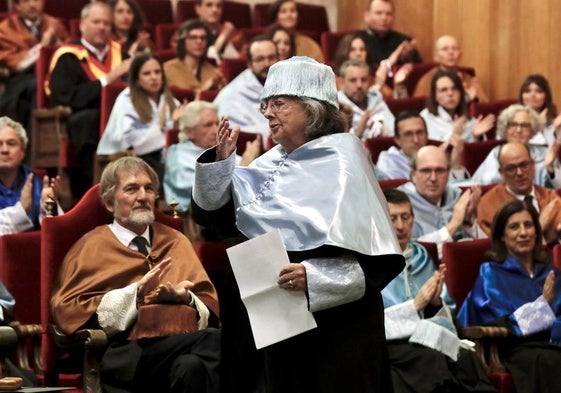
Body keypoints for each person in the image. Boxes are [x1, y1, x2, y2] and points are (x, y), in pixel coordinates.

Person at [192, 56, 404, 393]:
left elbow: (379, 262)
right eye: (266, 104)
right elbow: (215, 222)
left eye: (279, 103)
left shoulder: (345, 160)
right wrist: (220, 165)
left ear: (312, 109)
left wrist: (316, 278)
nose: (266, 113)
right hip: (275, 326)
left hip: (338, 333)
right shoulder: (269, 162)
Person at [50, 156, 220, 393]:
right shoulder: (91, 246)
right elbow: (68, 309)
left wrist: (186, 298)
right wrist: (136, 293)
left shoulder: (175, 240)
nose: (143, 196)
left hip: (177, 345)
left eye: (148, 188)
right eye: (132, 189)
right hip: (124, 354)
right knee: (214, 340)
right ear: (110, 203)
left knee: (191, 367)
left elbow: (209, 304)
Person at [382, 188, 496, 393]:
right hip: (393, 346)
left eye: (405, 217)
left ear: (413, 219)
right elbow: (371, 324)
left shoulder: (421, 255)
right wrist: (415, 306)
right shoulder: (373, 263)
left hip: (428, 336)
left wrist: (434, 302)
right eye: (392, 219)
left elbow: (443, 310)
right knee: (433, 360)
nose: (400, 226)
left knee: (466, 357)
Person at [459, 200, 561, 393]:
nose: (523, 233)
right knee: (552, 361)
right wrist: (542, 306)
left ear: (537, 232)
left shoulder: (549, 272)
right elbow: (498, 322)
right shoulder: (491, 273)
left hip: (552, 344)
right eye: (514, 227)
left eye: (528, 225)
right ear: (502, 236)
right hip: (513, 350)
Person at [48, 1, 133, 199]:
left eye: (106, 23)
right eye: (96, 22)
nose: (102, 27)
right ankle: (89, 193)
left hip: (121, 118)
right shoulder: (68, 56)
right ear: (82, 25)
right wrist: (109, 79)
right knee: (87, 120)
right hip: (82, 121)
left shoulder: (122, 55)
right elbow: (64, 96)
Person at [98, 53, 183, 184]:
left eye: (157, 72)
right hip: (135, 157)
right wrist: (159, 127)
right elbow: (127, 142)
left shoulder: (168, 99)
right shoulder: (126, 99)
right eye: (147, 73)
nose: (154, 77)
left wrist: (177, 124)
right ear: (137, 78)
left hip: (164, 155)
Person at [163, 100, 260, 213]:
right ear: (189, 132)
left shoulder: (218, 148)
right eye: (208, 125)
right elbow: (207, 193)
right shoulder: (177, 154)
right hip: (199, 218)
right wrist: (245, 165)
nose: (216, 131)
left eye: (216, 124)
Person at [398, 145, 481, 256]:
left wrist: (468, 221)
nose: (433, 178)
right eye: (426, 171)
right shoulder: (399, 203)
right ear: (413, 175)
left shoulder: (457, 196)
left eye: (440, 170)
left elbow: (480, 246)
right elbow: (410, 252)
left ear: (448, 174)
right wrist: (454, 224)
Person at [0, 0, 68, 130]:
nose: (32, 4)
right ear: (17, 5)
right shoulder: (5, 29)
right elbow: (19, 65)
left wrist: (57, 41)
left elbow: (68, 50)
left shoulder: (53, 24)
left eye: (36, 0)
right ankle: (35, 142)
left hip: (52, 74)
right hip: (21, 81)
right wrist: (43, 44)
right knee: (38, 85)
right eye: (26, 1)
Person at [476, 142, 561, 242]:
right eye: (511, 169)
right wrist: (539, 228)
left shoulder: (550, 198)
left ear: (533, 166)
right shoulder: (488, 204)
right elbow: (498, 248)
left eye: (524, 165)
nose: (519, 173)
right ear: (501, 173)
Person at [471, 104, 561, 188]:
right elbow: (480, 185)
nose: (518, 130)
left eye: (525, 125)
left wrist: (550, 169)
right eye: (513, 125)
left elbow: (559, 187)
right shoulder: (496, 154)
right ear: (505, 128)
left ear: (532, 130)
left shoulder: (545, 153)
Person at [0, 116, 60, 236]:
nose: (4, 150)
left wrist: (49, 208)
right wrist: (21, 209)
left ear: (23, 151)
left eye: (11, 144)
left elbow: (56, 233)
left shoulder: (37, 183)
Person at [213, 36, 279, 142]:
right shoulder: (231, 94)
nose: (267, 64)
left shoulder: (288, 84)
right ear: (249, 64)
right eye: (260, 59)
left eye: (271, 57)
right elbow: (232, 135)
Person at [377, 110, 469, 181]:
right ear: (397, 140)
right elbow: (403, 191)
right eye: (408, 134)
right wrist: (433, 159)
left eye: (420, 133)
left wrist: (455, 165)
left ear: (427, 135)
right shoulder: (388, 161)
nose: (416, 140)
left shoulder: (442, 155)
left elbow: (454, 194)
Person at [420, 69, 495, 142]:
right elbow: (433, 151)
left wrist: (476, 137)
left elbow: (475, 152)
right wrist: (455, 133)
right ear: (435, 95)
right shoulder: (426, 118)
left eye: (454, 89)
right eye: (443, 90)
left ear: (461, 93)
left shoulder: (469, 118)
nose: (450, 93)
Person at [333, 33, 410, 99]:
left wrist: (398, 85)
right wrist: (378, 86)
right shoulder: (335, 80)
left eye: (362, 50)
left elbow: (392, 100)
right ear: (344, 53)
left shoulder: (372, 78)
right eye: (352, 50)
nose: (358, 54)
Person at [413, 35, 489, 102]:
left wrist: (476, 99)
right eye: (445, 49)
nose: (451, 52)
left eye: (455, 48)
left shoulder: (468, 79)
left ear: (460, 54)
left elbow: (484, 106)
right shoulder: (428, 80)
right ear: (436, 56)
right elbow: (419, 107)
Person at [163, 19, 225, 94]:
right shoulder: (168, 69)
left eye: (203, 38)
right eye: (193, 37)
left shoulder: (214, 73)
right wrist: (204, 88)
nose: (199, 42)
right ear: (183, 41)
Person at [337, 59, 395, 138]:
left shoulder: (376, 99)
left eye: (364, 80)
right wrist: (358, 131)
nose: (359, 85)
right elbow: (336, 142)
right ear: (342, 82)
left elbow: (395, 131)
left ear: (370, 81)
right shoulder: (336, 106)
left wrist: (382, 128)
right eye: (353, 80)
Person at [357, 0, 422, 65]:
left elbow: (419, 70)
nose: (384, 18)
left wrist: (408, 58)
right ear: (366, 16)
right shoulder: (356, 40)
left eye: (388, 14)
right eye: (379, 13)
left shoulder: (404, 42)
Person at [195, 0, 246, 64]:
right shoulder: (190, 32)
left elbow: (245, 60)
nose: (215, 10)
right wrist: (223, 37)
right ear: (198, 9)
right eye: (209, 5)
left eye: (219, 6)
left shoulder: (231, 32)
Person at [518, 74, 561, 145]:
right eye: (527, 91)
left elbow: (554, 150)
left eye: (538, 91)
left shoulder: (556, 122)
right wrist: (538, 125)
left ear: (546, 96)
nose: (532, 95)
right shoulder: (511, 119)